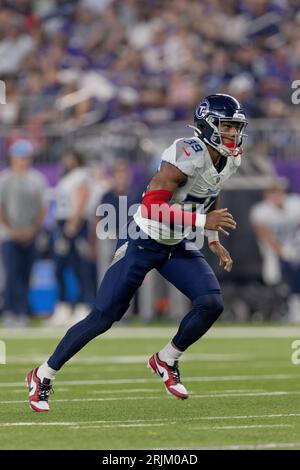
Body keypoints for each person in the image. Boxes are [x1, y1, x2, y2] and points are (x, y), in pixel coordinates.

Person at [26, 94, 248, 412]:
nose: (233, 133)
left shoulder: (230, 159)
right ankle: (43, 375)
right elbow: (151, 207)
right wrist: (202, 222)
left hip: (177, 242)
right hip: (142, 239)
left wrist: (211, 237)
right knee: (104, 316)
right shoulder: (185, 154)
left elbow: (208, 194)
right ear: (207, 124)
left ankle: (166, 359)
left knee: (211, 302)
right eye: (227, 126)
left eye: (236, 126)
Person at [0, 139, 47, 327]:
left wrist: (32, 230)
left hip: (30, 234)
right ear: (12, 158)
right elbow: (1, 208)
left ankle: (22, 310)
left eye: (26, 157)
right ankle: (11, 310)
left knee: (27, 274)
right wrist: (12, 230)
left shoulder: (37, 179)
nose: (23, 161)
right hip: (8, 235)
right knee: (12, 273)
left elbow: (42, 209)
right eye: (20, 157)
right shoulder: (4, 179)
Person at [48, 149, 94, 326]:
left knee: (79, 266)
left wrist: (72, 227)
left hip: (74, 223)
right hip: (62, 222)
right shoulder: (67, 176)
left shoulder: (81, 175)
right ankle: (64, 306)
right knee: (60, 266)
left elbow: (81, 199)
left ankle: (84, 305)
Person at [250, 181, 300, 322]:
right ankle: (281, 308)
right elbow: (265, 235)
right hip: (270, 249)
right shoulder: (260, 210)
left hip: (294, 243)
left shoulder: (294, 203)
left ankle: (294, 305)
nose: (277, 195)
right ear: (267, 195)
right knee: (273, 275)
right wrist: (283, 251)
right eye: (273, 192)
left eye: (279, 192)